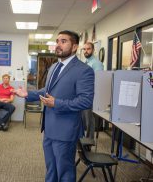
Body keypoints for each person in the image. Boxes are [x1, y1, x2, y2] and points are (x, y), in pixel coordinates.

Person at [14, 30, 94, 181]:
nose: (58, 45)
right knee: (51, 168)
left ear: (75, 46)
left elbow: (85, 101)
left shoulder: (84, 71)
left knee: (64, 171)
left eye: (63, 41)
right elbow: (47, 91)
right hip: (49, 127)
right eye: (57, 41)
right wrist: (28, 94)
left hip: (66, 130)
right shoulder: (53, 67)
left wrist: (57, 103)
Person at [82, 42, 104, 139]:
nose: (86, 51)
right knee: (83, 119)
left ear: (93, 50)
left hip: (90, 95)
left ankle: (89, 142)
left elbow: (98, 81)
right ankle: (83, 140)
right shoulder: (85, 62)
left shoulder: (97, 63)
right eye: (84, 49)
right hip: (83, 95)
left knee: (89, 119)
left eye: (88, 49)